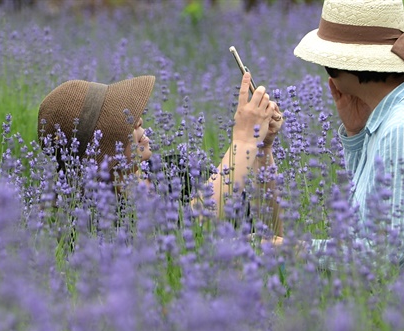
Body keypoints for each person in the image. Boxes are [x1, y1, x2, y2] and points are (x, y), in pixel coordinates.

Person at [290, 0, 404, 260]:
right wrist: (356, 134)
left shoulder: (402, 129)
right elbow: (368, 218)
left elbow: (389, 256)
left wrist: (297, 251)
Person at [37, 73, 283, 230]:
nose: (139, 121)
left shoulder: (175, 170)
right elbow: (189, 234)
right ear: (100, 151)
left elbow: (268, 231)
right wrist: (244, 141)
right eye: (122, 122)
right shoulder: (94, 219)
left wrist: (262, 150)